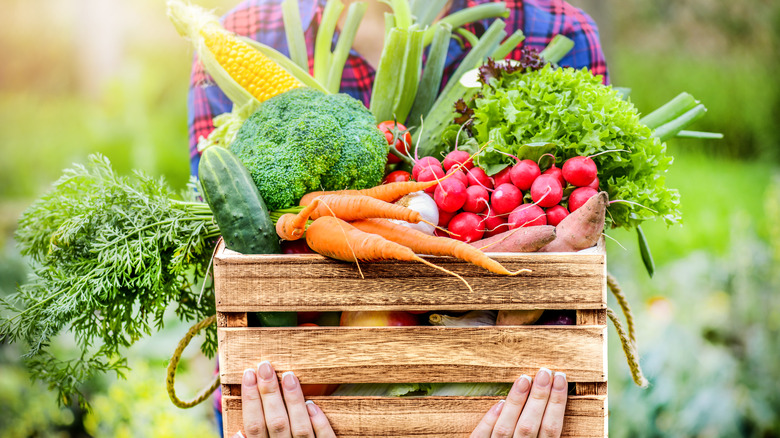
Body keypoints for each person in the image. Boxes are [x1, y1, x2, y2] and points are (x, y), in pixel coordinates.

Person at [187, 1, 608, 436]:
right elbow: (227, 237)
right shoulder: (240, 33)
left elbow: (579, 264)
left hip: (507, 410)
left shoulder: (556, 29)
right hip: (284, 413)